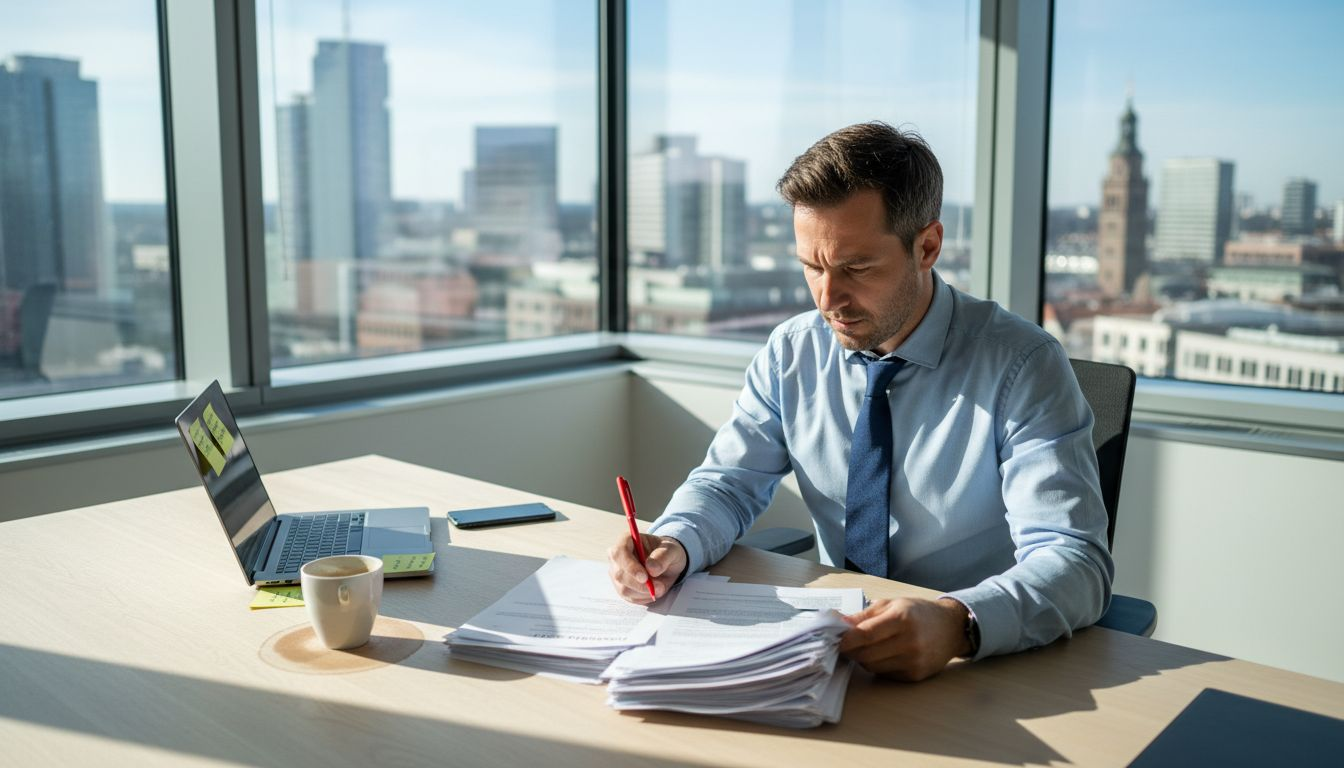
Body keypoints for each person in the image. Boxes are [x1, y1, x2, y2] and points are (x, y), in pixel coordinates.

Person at [608, 122, 1113, 682]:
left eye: (856, 268)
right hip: (835, 650)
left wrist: (959, 623)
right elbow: (728, 484)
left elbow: (1074, 560)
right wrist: (676, 542)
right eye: (812, 266)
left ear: (928, 246)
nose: (829, 299)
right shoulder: (792, 352)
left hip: (972, 667)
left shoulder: (1023, 365)